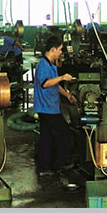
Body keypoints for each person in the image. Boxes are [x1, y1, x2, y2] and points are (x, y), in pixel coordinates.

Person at [34, 35, 78, 177]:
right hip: (47, 108)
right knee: (65, 136)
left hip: (49, 107)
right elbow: (45, 83)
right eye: (60, 50)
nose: (60, 52)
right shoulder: (43, 65)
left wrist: (67, 95)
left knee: (47, 139)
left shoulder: (51, 65)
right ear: (53, 49)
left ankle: (44, 168)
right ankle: (59, 164)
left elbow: (55, 84)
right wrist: (62, 77)